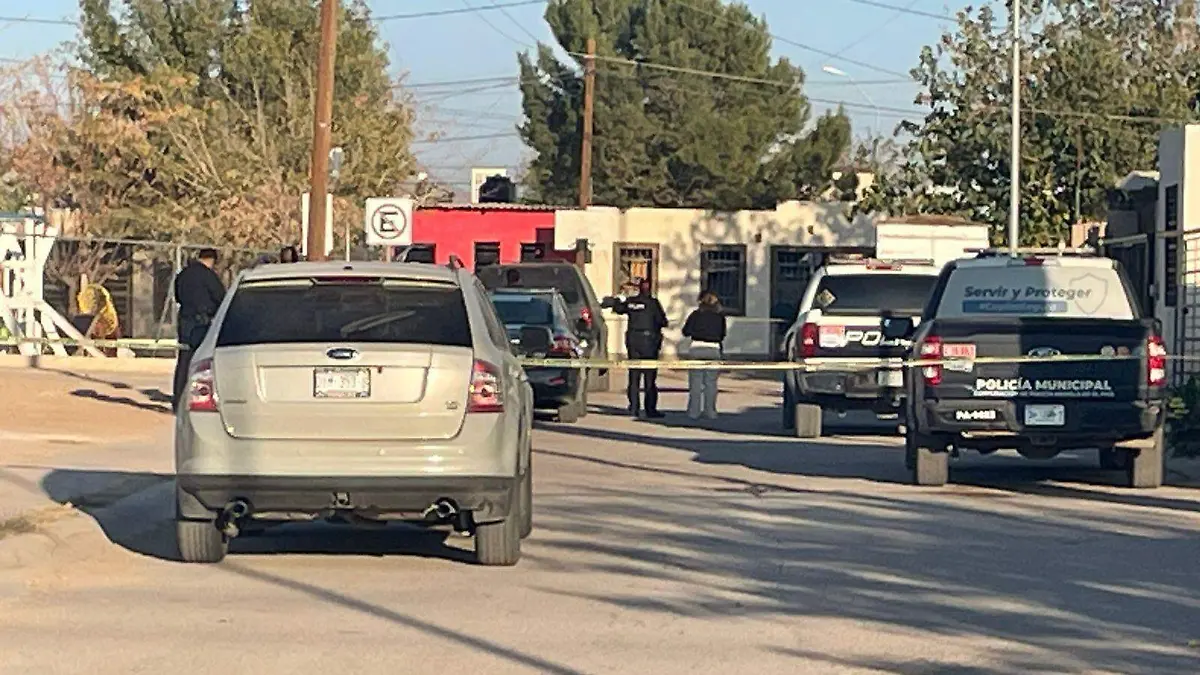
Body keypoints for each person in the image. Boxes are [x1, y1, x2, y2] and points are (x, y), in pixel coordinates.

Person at [172, 248, 226, 410]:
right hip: (202, 322)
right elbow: (220, 297)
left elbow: (178, 297)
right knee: (203, 362)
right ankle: (200, 397)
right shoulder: (208, 276)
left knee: (184, 360)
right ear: (212, 260)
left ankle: (178, 399)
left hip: (185, 320)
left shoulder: (183, 274)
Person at [611, 277, 667, 418]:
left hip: (633, 340)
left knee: (634, 376)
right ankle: (650, 409)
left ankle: (634, 407)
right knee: (649, 377)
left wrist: (620, 297)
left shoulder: (631, 302)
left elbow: (617, 309)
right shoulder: (653, 303)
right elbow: (662, 321)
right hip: (649, 342)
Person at [681, 291, 727, 420]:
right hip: (713, 348)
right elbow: (722, 334)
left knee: (695, 382)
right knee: (711, 383)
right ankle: (710, 411)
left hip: (697, 347)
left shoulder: (696, 315)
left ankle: (693, 412)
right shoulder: (720, 316)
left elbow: (686, 331)